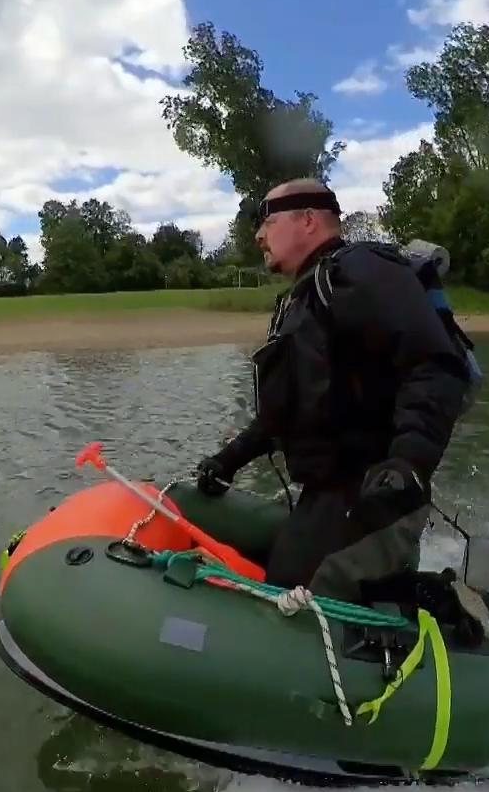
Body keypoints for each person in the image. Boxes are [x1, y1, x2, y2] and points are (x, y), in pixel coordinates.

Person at [193, 178, 473, 603]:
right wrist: (229, 459)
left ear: (308, 220)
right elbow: (284, 413)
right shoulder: (299, 300)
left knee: (290, 607)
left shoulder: (364, 271)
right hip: (323, 494)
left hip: (373, 497)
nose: (258, 234)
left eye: (267, 220)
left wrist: (408, 464)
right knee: (274, 578)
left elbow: (434, 367)